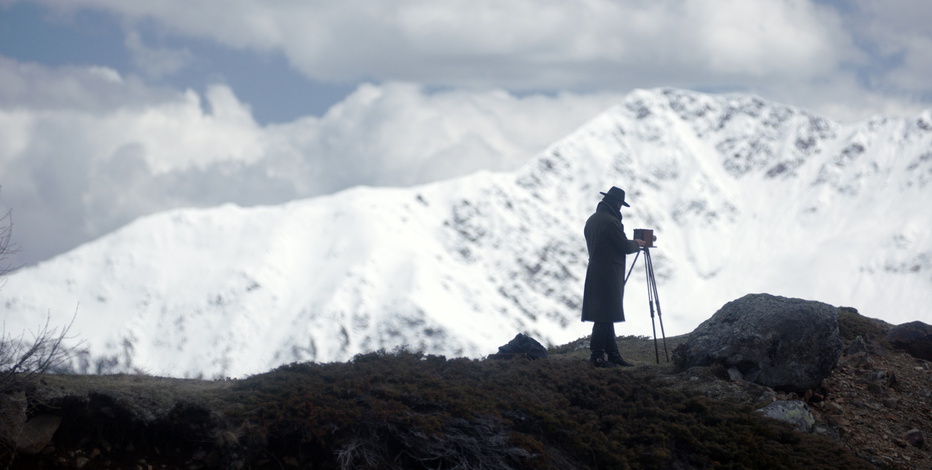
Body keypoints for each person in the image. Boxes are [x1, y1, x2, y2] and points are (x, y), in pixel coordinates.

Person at [581, 186, 646, 368]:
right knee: (603, 315)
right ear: (617, 203)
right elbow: (623, 246)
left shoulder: (592, 220)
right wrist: (636, 244)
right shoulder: (611, 222)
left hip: (596, 271)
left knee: (606, 313)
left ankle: (612, 354)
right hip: (609, 273)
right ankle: (597, 356)